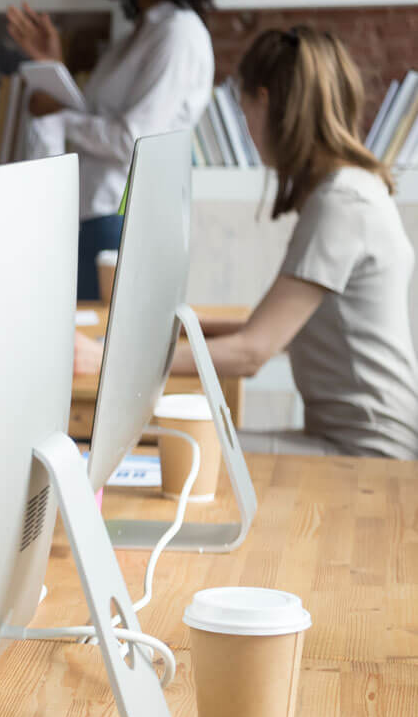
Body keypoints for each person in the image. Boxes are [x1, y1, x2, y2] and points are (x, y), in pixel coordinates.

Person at [75, 27, 418, 460]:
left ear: (266, 102)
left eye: (244, 111)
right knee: (175, 447)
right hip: (360, 441)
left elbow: (254, 350)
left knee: (170, 451)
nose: (249, 128)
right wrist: (148, 331)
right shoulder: (353, 188)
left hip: (368, 454)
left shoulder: (341, 204)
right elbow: (277, 328)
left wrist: (109, 361)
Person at [8, 0, 217, 300]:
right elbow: (96, 122)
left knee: (97, 350)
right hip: (92, 214)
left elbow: (134, 140)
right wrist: (53, 67)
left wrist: (61, 116)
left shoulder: (178, 34)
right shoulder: (134, 38)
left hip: (120, 222)